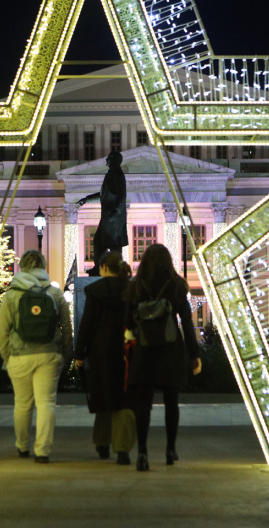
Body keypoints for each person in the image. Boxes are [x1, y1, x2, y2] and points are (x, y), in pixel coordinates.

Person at [124, 244, 202, 471]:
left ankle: (142, 453)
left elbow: (128, 322)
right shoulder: (177, 286)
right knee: (171, 401)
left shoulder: (136, 286)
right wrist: (194, 354)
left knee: (143, 404)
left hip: (145, 349)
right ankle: (170, 449)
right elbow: (187, 323)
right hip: (171, 349)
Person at [0, 249, 73, 463]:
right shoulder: (55, 293)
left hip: (19, 356)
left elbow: (3, 332)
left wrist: (7, 357)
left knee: (22, 403)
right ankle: (43, 451)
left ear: (21, 266)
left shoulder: (11, 295)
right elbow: (67, 328)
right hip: (49, 354)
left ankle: (22, 447)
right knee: (46, 402)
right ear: (43, 266)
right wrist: (65, 354)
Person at [74, 251, 136, 465]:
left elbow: (87, 324)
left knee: (103, 393)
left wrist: (79, 354)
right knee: (124, 397)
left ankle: (102, 442)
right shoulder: (131, 290)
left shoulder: (94, 290)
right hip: (126, 348)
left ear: (104, 268)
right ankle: (123, 449)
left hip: (100, 348)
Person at [76, 151, 128, 276]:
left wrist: (116, 212)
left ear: (114, 160)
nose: (106, 161)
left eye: (108, 158)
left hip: (113, 217)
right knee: (99, 241)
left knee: (114, 244)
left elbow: (122, 196)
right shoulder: (111, 174)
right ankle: (99, 266)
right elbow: (103, 195)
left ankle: (117, 268)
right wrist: (87, 199)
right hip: (108, 216)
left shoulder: (117, 174)